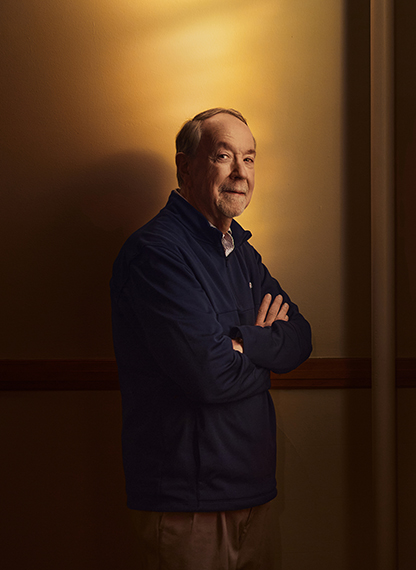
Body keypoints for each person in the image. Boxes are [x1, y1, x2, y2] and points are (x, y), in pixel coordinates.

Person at [110, 108, 312, 569]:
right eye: (224, 156)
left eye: (250, 158)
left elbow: (300, 337)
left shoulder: (241, 251)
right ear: (186, 167)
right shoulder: (155, 254)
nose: (241, 173)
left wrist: (241, 343)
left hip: (254, 493)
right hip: (188, 506)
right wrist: (260, 345)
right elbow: (210, 375)